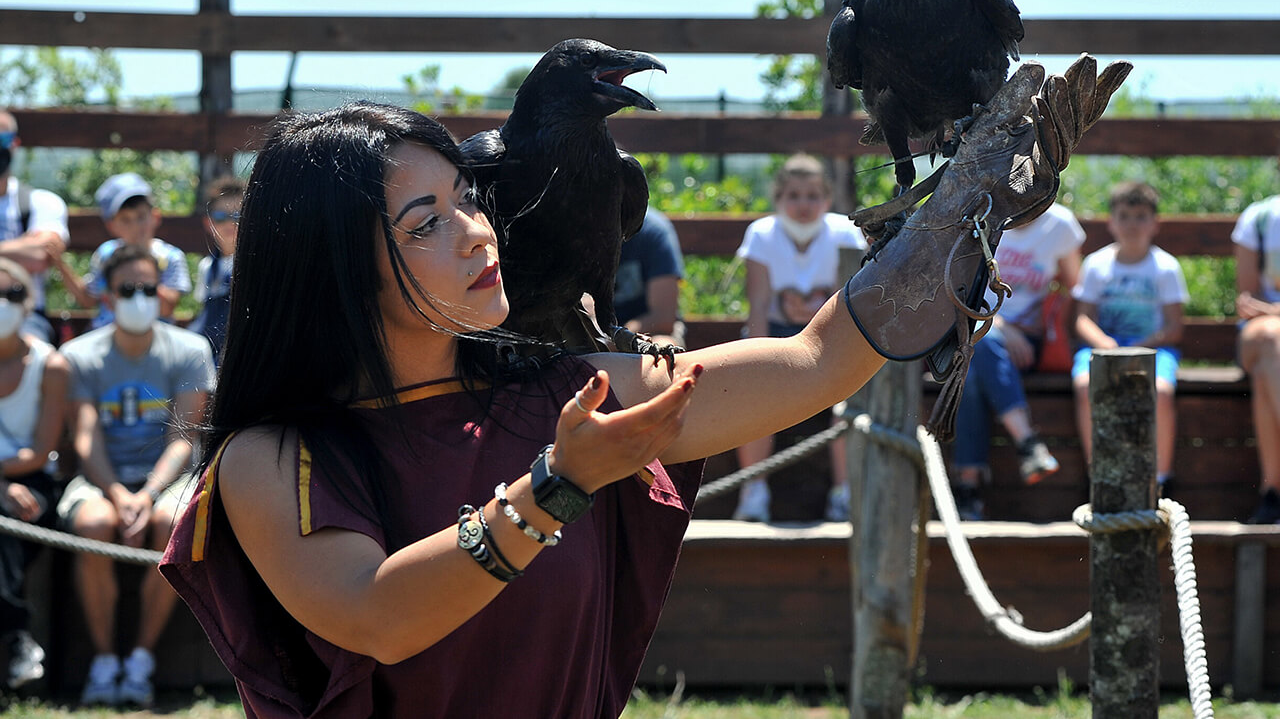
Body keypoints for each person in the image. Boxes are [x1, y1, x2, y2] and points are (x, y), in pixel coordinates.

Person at [152, 87, 1069, 718]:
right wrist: (558, 483)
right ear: (336, 270)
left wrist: (960, 207)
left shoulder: (573, 388)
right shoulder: (270, 458)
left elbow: (814, 359)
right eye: (425, 224)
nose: (477, 230)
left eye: (466, 199)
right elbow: (377, 616)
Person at [56, 243, 214, 706]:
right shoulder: (79, 355)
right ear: (107, 294)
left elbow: (183, 437)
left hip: (167, 478)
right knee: (91, 525)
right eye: (129, 288)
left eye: (149, 287)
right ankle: (105, 661)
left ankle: (141, 659)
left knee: (171, 524)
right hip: (102, 477)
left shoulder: (190, 349)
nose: (140, 297)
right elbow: (86, 439)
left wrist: (145, 493)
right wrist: (116, 494)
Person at [731, 154, 866, 523]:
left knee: (847, 407)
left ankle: (845, 493)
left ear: (826, 198)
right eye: (793, 195)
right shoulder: (761, 234)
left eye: (811, 195)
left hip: (832, 338)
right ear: (779, 198)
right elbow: (758, 305)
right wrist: (757, 360)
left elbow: (850, 301)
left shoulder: (844, 233)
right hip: (775, 337)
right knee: (753, 400)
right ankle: (753, 490)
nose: (803, 204)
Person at [950, 202, 1084, 520]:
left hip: (1031, 341)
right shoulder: (980, 220)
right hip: (980, 328)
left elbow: (1075, 289)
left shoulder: (1060, 225)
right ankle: (1026, 441)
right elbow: (960, 288)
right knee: (975, 356)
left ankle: (968, 487)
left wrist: (1048, 320)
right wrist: (1000, 327)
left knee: (972, 360)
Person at [1072, 181, 1187, 491]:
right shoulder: (1097, 264)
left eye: (1140, 216)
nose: (1132, 224)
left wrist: (1138, 346)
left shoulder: (1165, 268)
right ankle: (1097, 474)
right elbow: (1083, 318)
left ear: (1154, 223)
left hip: (1153, 348)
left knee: (1161, 392)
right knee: (1085, 385)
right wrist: (1104, 343)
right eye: (1124, 215)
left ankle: (1161, 478)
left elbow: (1174, 328)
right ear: (1111, 222)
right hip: (1104, 346)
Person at [0, 257, 69, 689]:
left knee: (7, 526)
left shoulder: (51, 364)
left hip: (33, 483)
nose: (2, 303)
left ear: (29, 303)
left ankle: (18, 635)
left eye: (12, 294)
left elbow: (38, 451)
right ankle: (18, 632)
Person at [51, 172, 193, 329]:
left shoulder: (170, 256)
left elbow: (167, 308)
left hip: (154, 337)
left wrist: (138, 277)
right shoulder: (105, 254)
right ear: (111, 226)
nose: (135, 226)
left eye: (141, 216)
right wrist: (59, 263)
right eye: (125, 219)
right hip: (107, 333)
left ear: (155, 216)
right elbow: (89, 299)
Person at [0, 110, 71, 345]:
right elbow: (32, 253)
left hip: (27, 317)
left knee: (38, 358)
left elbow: (41, 255)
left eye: (2, 140)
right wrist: (22, 246)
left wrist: (34, 249)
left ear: (15, 144)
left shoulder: (42, 202)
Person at [1230, 192, 1280, 523]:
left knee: (1266, 374)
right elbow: (1248, 301)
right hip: (1262, 332)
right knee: (1271, 337)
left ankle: (1272, 494)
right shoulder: (1260, 217)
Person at [187, 176, 245, 363]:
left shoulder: (256, 266)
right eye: (220, 217)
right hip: (211, 353)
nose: (230, 223)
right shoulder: (207, 267)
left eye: (237, 216)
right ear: (208, 223)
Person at [613, 206, 685, 350]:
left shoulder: (654, 230)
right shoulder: (573, 228)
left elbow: (663, 317)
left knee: (663, 348)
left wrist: (619, 337)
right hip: (594, 332)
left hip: (647, 329)